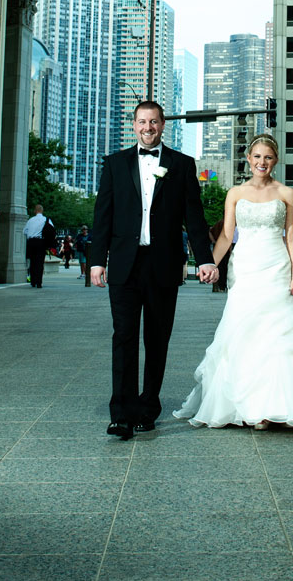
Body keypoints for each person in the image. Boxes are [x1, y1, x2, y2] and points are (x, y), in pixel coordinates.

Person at [174, 136, 293, 430]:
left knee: (278, 335)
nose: (261, 162)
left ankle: (275, 408)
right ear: (247, 157)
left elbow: (292, 236)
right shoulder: (235, 193)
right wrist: (208, 264)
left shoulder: (286, 193)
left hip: (275, 268)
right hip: (244, 270)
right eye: (256, 156)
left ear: (275, 160)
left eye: (267, 157)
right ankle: (247, 406)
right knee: (243, 332)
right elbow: (227, 236)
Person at [90, 100, 217, 440]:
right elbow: (102, 215)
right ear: (134, 125)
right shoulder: (114, 164)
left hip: (163, 265)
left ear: (164, 125)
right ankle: (121, 413)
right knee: (124, 338)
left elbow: (194, 217)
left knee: (157, 339)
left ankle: (148, 408)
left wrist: (204, 258)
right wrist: (95, 261)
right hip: (124, 265)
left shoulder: (182, 164)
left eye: (154, 122)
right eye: (142, 122)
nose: (148, 128)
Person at [24, 204, 51, 288]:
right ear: (42, 211)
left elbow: (24, 231)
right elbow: (51, 230)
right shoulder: (46, 220)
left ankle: (33, 281)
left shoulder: (30, 220)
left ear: (35, 211)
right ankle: (39, 282)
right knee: (40, 262)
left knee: (32, 262)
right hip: (41, 242)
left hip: (31, 242)